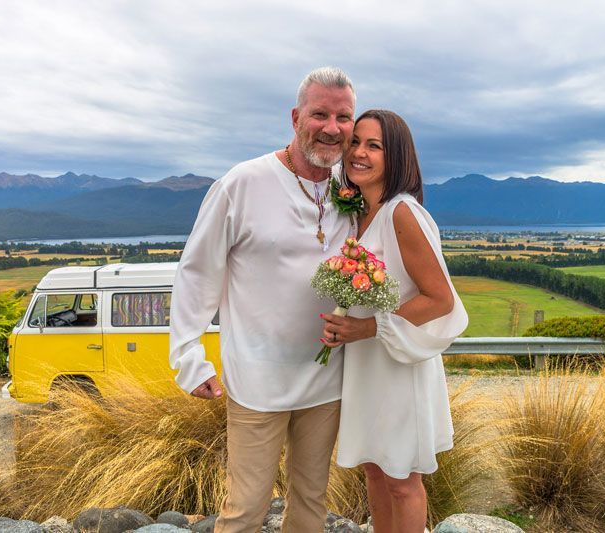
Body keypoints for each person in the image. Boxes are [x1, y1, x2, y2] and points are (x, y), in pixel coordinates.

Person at [169, 67, 356, 533]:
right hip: (257, 379)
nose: (332, 128)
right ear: (295, 117)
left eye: (343, 116)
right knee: (246, 509)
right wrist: (189, 358)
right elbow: (197, 272)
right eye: (320, 114)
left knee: (311, 504)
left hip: (326, 379)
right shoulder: (242, 183)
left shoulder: (352, 190)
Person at [320, 109, 468, 533]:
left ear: (397, 155)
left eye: (374, 146)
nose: (358, 153)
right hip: (367, 363)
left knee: (402, 479)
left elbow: (440, 299)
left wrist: (366, 328)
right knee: (374, 469)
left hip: (398, 364)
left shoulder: (402, 213)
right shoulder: (359, 213)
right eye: (355, 143)